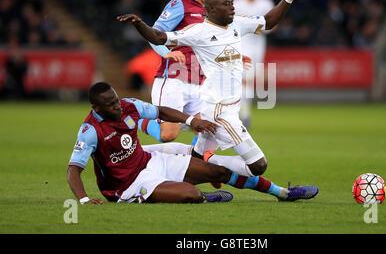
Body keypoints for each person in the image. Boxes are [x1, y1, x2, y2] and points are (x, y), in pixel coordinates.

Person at [117, 0, 314, 186]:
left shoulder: (238, 23)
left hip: (225, 106)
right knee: (258, 166)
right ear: (211, 10)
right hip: (220, 112)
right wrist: (139, 24)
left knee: (193, 157)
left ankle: (164, 171)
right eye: (226, 4)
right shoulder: (198, 31)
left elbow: (268, 22)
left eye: (232, 3)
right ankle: (210, 160)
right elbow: (159, 37)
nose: (232, 7)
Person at [67, 82, 319, 204]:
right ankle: (205, 196)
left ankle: (282, 193)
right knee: (192, 194)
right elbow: (73, 171)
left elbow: (161, 111)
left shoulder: (128, 106)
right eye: (110, 104)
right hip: (127, 185)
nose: (116, 106)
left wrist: (191, 121)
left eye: (116, 100)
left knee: (219, 171)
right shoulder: (90, 130)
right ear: (96, 108)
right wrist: (84, 200)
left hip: (149, 160)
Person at [141, 0, 252, 145]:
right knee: (168, 135)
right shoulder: (180, 5)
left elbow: (213, 44)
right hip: (174, 78)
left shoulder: (215, 11)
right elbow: (154, 34)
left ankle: (194, 164)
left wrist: (235, 56)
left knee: (210, 129)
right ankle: (136, 117)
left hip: (201, 82)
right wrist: (165, 52)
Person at [233, 0, 275, 128]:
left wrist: (262, 29)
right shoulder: (236, 3)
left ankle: (244, 113)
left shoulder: (266, 3)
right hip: (240, 45)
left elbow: (273, 23)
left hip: (258, 46)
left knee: (248, 82)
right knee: (241, 80)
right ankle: (242, 114)